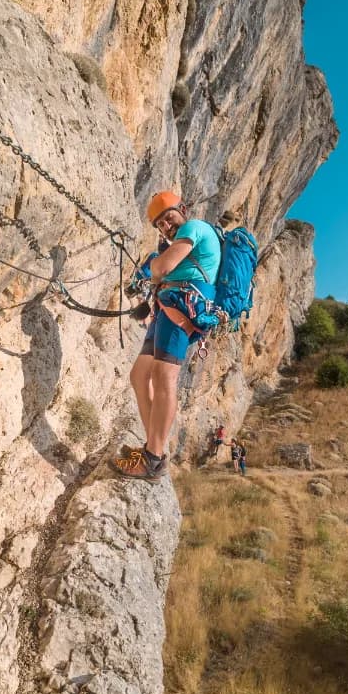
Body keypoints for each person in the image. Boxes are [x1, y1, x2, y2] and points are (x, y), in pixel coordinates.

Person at [113, 191, 222, 480]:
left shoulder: (195, 227)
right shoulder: (177, 241)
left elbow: (161, 268)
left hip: (182, 309)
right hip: (168, 309)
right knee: (139, 376)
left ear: (182, 209)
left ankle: (153, 460)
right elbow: (161, 270)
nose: (166, 225)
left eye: (168, 216)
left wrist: (155, 274)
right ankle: (152, 447)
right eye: (159, 223)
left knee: (164, 378)